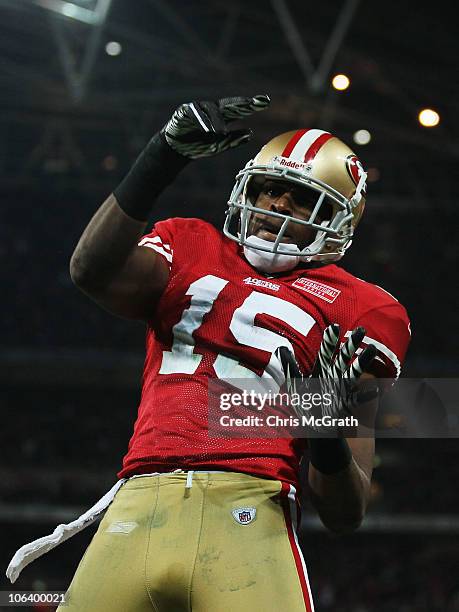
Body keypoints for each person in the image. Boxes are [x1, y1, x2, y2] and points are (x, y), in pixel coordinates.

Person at [7, 95, 410, 611]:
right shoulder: (188, 242)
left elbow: (345, 512)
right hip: (138, 501)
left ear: (337, 220)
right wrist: (163, 156)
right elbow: (91, 272)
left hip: (253, 509)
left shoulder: (365, 309)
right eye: (270, 190)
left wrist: (327, 430)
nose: (278, 206)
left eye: (301, 199)